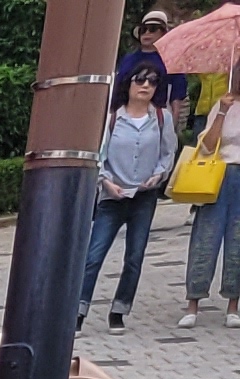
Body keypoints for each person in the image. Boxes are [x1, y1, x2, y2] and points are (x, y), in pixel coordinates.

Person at [84, 64, 180, 326]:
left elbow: (168, 152)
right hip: (112, 196)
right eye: (140, 80)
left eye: (152, 81)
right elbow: (98, 156)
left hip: (144, 196)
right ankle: (79, 311)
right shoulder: (112, 118)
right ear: (128, 83)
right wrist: (106, 182)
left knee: (135, 257)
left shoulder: (161, 117)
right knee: (94, 255)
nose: (146, 86)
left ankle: (119, 310)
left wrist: (158, 175)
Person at [185, 84, 238, 324]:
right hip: (217, 174)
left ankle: (233, 305)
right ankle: (193, 303)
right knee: (205, 237)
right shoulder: (222, 102)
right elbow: (206, 146)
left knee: (237, 242)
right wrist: (222, 112)